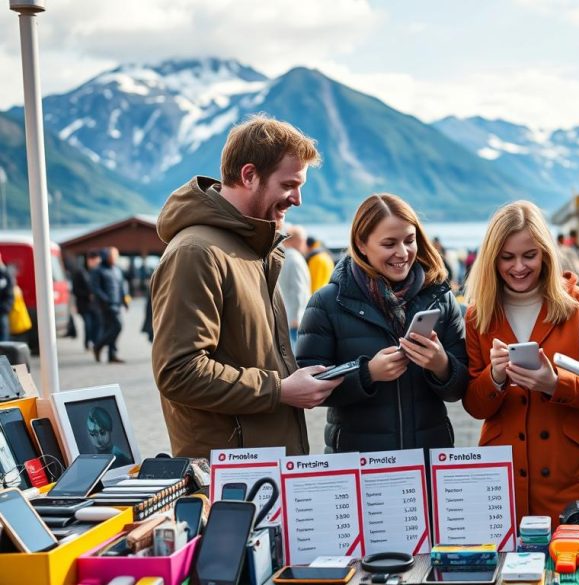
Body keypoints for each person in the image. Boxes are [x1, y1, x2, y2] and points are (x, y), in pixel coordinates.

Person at [150, 114, 342, 458]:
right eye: (288, 185)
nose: (297, 199)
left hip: (261, 464)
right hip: (231, 473)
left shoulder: (256, 249)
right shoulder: (196, 253)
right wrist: (280, 389)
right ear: (249, 175)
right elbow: (179, 373)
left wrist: (297, 381)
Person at [462, 201, 579, 525]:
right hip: (500, 478)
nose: (519, 267)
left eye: (529, 255)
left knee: (572, 569)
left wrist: (554, 383)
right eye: (507, 257)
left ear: (546, 253)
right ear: (492, 259)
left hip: (567, 476)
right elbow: (475, 406)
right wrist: (495, 378)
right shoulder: (478, 315)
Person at [296, 194, 468, 453]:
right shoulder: (327, 303)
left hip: (428, 459)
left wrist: (441, 365)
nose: (402, 253)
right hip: (358, 464)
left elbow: (460, 388)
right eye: (389, 244)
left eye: (410, 241)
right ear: (361, 244)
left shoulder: (440, 298)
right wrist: (367, 374)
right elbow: (308, 389)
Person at [91, 247, 129, 364]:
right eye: (112, 256)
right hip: (105, 306)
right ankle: (98, 346)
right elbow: (95, 288)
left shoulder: (117, 270)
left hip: (117, 304)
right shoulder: (98, 270)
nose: (115, 258)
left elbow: (121, 286)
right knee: (117, 326)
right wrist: (106, 300)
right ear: (106, 257)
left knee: (111, 329)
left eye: (116, 256)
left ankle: (112, 355)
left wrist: (125, 300)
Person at [280, 224, 312, 345]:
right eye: (304, 241)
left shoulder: (281, 256)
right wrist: (296, 318)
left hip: (285, 318)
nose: (306, 245)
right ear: (298, 240)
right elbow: (299, 291)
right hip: (295, 321)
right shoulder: (295, 259)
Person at [72, 251, 101, 350]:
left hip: (95, 305)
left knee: (97, 324)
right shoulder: (80, 272)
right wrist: (88, 295)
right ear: (89, 260)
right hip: (84, 304)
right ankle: (87, 342)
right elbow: (75, 290)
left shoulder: (97, 271)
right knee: (88, 325)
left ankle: (95, 343)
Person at [0, 252, 12, 342]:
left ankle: (2, 356)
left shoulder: (4, 273)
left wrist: (5, 308)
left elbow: (9, 293)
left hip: (2, 312)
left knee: (4, 342)